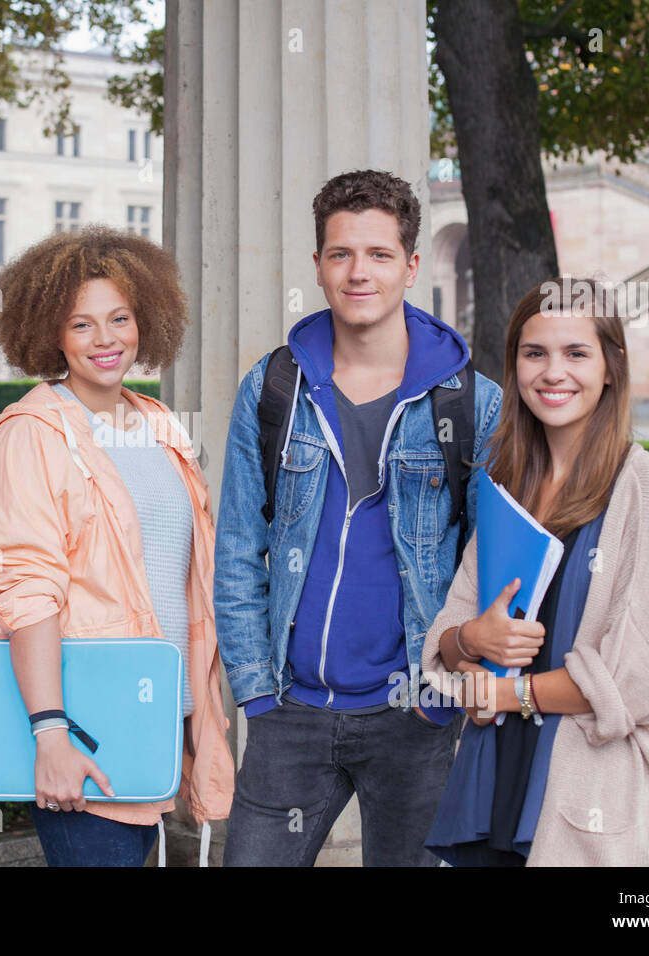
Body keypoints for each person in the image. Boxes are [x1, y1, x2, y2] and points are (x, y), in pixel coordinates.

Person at [213, 168, 503, 866]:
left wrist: (446, 695)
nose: (358, 272)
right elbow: (236, 550)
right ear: (317, 267)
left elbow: (490, 566)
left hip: (416, 711)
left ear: (410, 265)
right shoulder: (274, 387)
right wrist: (256, 694)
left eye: (377, 254)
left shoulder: (471, 404)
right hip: (291, 714)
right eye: (340, 253)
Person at [0, 225, 234, 867]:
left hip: (162, 715)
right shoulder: (31, 434)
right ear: (50, 334)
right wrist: (49, 732)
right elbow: (26, 589)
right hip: (84, 720)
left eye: (119, 318)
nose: (106, 339)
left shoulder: (161, 427)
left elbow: (187, 579)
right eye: (81, 324)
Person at [421, 277, 649, 866]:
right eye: (534, 353)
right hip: (493, 780)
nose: (553, 372)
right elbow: (449, 629)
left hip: (586, 791)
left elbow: (641, 680)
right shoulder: (509, 486)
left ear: (611, 368)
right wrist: (470, 641)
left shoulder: (647, 487)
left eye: (576, 353)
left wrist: (506, 692)